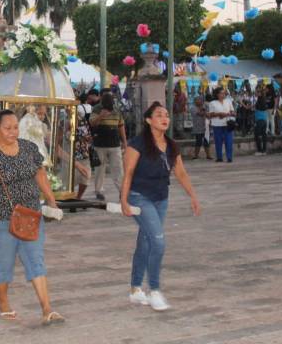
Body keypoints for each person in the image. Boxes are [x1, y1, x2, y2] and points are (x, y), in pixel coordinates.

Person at [0, 110, 64, 326]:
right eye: (8, 128)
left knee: (35, 259)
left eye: (15, 127)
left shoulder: (29, 148)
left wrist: (50, 198)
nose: (13, 132)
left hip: (31, 215)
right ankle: (3, 303)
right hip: (2, 218)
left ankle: (47, 309)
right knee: (5, 264)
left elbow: (39, 173)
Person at [120, 102, 201, 311]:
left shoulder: (172, 145)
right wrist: (124, 200)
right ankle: (154, 290)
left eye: (166, 115)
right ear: (148, 120)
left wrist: (193, 195)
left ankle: (135, 289)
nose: (164, 118)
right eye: (159, 115)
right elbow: (127, 173)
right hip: (139, 197)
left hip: (161, 198)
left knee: (146, 242)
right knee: (158, 242)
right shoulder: (136, 144)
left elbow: (180, 172)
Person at [89, 92, 127, 201]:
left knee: (118, 168)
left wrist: (124, 141)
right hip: (100, 143)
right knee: (100, 168)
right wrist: (101, 116)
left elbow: (121, 126)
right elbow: (92, 123)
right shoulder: (96, 109)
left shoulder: (116, 109)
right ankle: (99, 191)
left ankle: (122, 191)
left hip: (114, 144)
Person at [208, 87, 236, 163]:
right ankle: (219, 157)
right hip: (217, 125)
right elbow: (210, 114)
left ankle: (229, 157)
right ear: (217, 94)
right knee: (218, 141)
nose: (223, 95)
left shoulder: (228, 101)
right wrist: (219, 114)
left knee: (229, 141)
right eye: (221, 93)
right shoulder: (212, 103)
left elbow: (233, 112)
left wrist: (228, 114)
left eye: (224, 93)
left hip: (227, 124)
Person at [73, 103, 93, 199]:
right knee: (70, 179)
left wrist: (87, 138)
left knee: (86, 177)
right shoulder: (63, 120)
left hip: (83, 152)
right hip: (70, 153)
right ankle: (69, 196)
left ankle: (78, 197)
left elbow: (88, 135)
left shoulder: (82, 120)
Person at [189, 96, 212, 160]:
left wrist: (205, 111)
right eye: (196, 100)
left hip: (206, 128)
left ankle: (208, 155)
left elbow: (209, 114)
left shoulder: (206, 106)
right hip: (197, 128)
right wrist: (204, 111)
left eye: (200, 100)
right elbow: (200, 114)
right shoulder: (193, 108)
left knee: (206, 141)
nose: (198, 101)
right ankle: (196, 155)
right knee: (198, 142)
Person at [253, 87, 269, 155]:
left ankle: (260, 150)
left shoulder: (259, 100)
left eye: (257, 92)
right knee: (263, 135)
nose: (255, 93)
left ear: (259, 93)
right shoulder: (263, 99)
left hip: (259, 119)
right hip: (264, 119)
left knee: (257, 135)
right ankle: (264, 150)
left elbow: (255, 108)